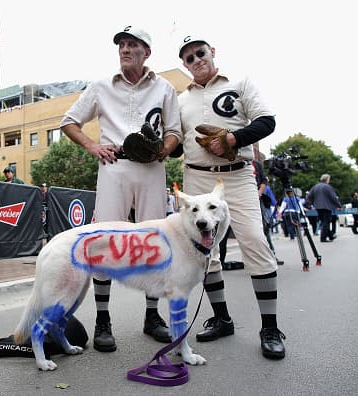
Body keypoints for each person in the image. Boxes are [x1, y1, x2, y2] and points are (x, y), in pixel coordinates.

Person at [60, 26, 182, 352]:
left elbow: (174, 132)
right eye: (122, 45)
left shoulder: (165, 87)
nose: (125, 49)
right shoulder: (101, 86)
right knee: (103, 239)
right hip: (114, 166)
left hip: (152, 168)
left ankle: (152, 316)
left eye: (132, 45)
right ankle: (103, 319)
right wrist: (91, 146)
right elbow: (69, 121)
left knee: (155, 241)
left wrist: (164, 150)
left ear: (147, 52)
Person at [177, 35, 285, 359]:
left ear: (212, 52)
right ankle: (222, 318)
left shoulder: (240, 82)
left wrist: (234, 138)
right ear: (184, 64)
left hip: (237, 174)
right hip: (196, 175)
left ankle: (270, 327)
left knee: (254, 239)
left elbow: (267, 121)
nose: (196, 60)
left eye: (200, 52)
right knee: (205, 249)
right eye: (189, 57)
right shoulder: (181, 101)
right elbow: (174, 144)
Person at [305, 174, 342, 242]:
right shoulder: (328, 187)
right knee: (326, 222)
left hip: (318, 207)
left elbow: (309, 197)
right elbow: (333, 197)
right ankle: (323, 238)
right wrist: (339, 206)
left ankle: (330, 235)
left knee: (323, 221)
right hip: (327, 207)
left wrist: (310, 204)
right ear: (327, 179)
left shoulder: (315, 186)